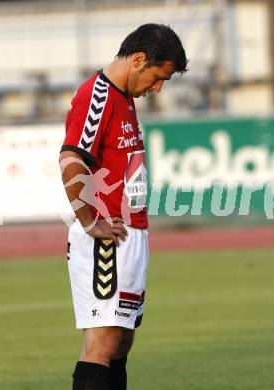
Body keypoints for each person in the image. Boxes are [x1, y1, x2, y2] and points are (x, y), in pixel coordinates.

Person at [59, 23, 187, 390]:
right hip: (107, 240)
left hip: (130, 234)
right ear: (139, 60)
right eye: (158, 77)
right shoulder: (96, 96)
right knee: (102, 344)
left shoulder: (124, 96)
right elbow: (71, 159)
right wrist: (89, 220)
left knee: (121, 340)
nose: (158, 88)